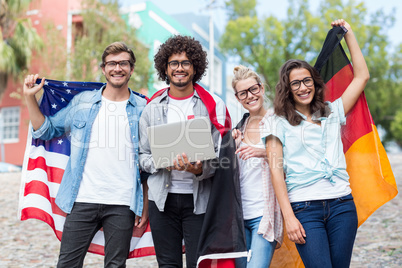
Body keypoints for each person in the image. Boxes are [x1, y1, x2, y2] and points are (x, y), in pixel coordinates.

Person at [23, 42, 149, 268]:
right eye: (112, 63)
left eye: (123, 63)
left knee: (115, 265)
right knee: (67, 264)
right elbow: (46, 130)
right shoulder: (84, 102)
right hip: (81, 200)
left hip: (122, 202)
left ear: (131, 69)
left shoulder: (143, 108)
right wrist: (30, 97)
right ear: (103, 69)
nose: (117, 68)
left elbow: (149, 163)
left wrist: (145, 204)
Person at [264, 19, 370, 267]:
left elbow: (362, 76)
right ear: (288, 89)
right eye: (296, 83)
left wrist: (349, 35)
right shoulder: (277, 122)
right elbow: (276, 173)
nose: (303, 87)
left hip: (342, 205)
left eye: (307, 80)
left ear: (315, 82)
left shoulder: (332, 112)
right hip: (304, 208)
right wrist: (289, 218)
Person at [138, 35, 229, 268]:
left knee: (198, 264)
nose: (180, 68)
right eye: (174, 63)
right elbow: (142, 157)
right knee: (168, 264)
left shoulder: (212, 105)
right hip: (162, 202)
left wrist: (200, 169)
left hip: (198, 201)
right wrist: (162, 161)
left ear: (195, 67)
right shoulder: (152, 108)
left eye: (186, 62)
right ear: (165, 68)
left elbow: (222, 156)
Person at [231, 65, 283, 267]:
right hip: (238, 215)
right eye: (243, 93)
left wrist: (265, 152)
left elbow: (294, 162)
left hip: (265, 214)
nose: (250, 96)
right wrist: (230, 147)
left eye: (253, 89)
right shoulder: (238, 129)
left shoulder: (277, 121)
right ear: (237, 98)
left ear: (261, 88)